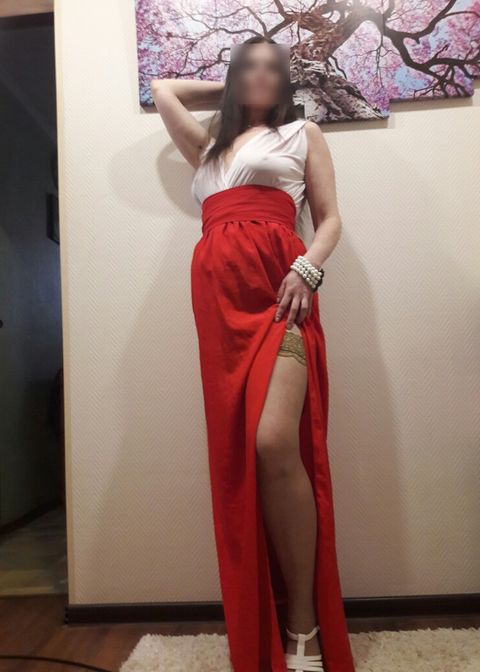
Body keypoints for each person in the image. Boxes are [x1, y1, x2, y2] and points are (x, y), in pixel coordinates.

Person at [151, 35, 356, 672]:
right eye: (250, 67)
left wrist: (308, 269)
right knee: (240, 455)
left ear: (287, 82)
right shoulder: (207, 147)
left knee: (272, 442)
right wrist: (234, 87)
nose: (261, 77)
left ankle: (303, 621)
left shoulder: (302, 134)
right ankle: (274, 616)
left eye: (274, 69)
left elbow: (329, 218)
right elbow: (162, 89)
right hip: (220, 306)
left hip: (280, 294)